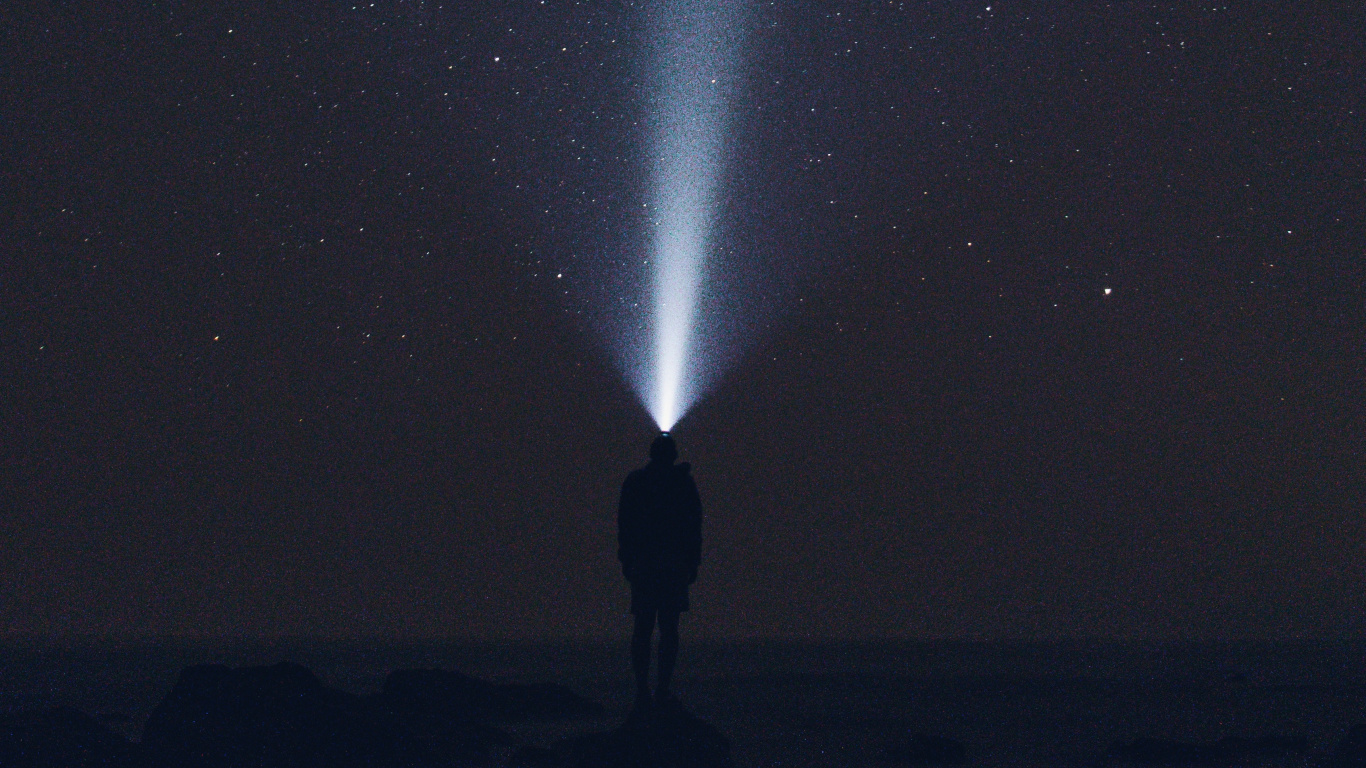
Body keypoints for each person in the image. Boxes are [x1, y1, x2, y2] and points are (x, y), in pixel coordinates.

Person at [617, 432, 702, 713]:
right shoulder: (683, 485)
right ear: (673, 455)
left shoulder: (636, 483)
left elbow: (625, 525)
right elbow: (694, 527)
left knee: (643, 627)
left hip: (645, 564)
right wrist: (692, 563)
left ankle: (643, 691)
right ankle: (661, 690)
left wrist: (627, 561)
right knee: (668, 629)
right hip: (672, 564)